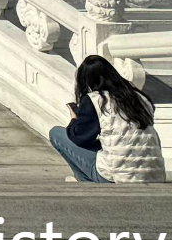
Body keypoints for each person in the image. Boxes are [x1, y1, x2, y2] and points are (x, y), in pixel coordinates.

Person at [54, 54, 163, 183]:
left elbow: (79, 138)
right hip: (154, 174)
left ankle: (84, 180)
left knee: (56, 133)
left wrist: (74, 119)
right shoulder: (140, 97)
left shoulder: (97, 100)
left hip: (117, 175)